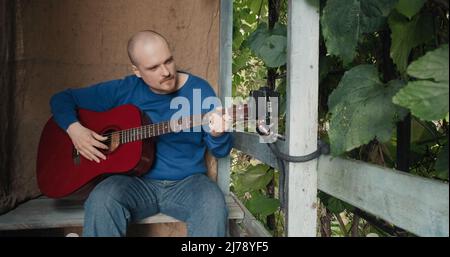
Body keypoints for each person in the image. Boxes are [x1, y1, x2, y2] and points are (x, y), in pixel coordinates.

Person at [49, 30, 233, 237]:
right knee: (102, 198)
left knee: (212, 202)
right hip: (134, 182)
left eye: (168, 61)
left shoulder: (200, 90)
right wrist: (75, 130)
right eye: (153, 67)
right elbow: (61, 99)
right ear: (137, 71)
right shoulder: (124, 89)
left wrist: (218, 134)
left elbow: (221, 150)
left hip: (188, 183)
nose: (166, 72)